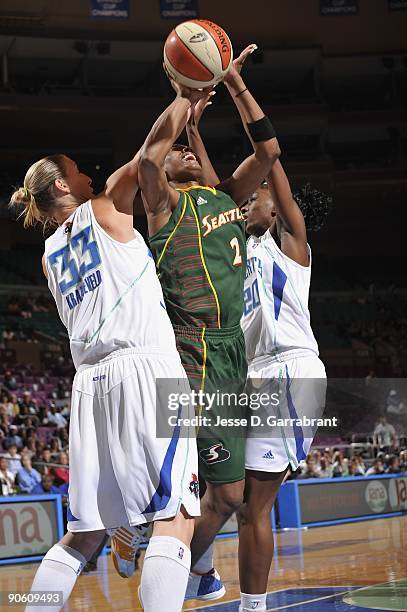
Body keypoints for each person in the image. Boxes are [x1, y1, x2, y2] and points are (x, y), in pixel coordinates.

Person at [10, 150, 199, 612]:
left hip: (90, 383)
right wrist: (189, 94)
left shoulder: (48, 254)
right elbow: (149, 154)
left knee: (86, 531)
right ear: (61, 185)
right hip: (143, 367)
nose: (85, 171)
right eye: (75, 169)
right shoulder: (102, 207)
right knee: (175, 516)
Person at [136, 45, 280, 601]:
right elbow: (149, 160)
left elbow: (267, 150)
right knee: (198, 494)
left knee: (230, 497)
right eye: (181, 153)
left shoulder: (225, 199)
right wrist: (186, 93)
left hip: (230, 356)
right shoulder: (164, 208)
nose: (185, 157)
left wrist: (235, 82)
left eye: (189, 152)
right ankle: (160, 558)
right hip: (189, 353)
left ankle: (189, 569)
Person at [238, 160, 331, 612]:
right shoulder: (240, 251)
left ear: (276, 210)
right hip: (255, 374)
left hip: (291, 370)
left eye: (256, 196)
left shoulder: (291, 247)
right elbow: (221, 196)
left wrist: (262, 147)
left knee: (254, 504)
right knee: (229, 494)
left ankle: (250, 606)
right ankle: (191, 564)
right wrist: (194, 129)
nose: (247, 203)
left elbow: (272, 166)